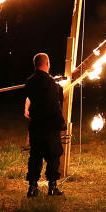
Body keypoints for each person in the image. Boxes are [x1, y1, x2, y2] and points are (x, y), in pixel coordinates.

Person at [23, 53, 65, 197]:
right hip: (49, 126)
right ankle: (52, 187)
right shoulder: (50, 82)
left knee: (35, 156)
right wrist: (61, 122)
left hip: (35, 125)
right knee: (53, 155)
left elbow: (33, 98)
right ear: (47, 63)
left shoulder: (29, 81)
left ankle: (32, 187)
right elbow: (54, 104)